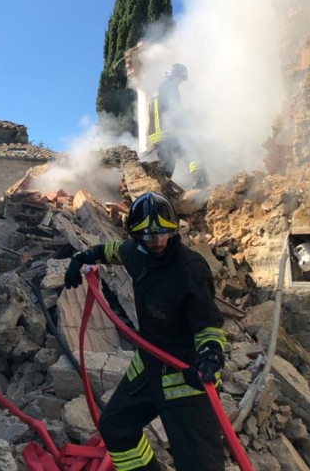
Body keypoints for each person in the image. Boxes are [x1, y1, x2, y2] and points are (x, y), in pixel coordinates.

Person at [64, 191, 227, 470]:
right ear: (137, 236)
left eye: (164, 233)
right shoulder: (135, 253)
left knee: (200, 464)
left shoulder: (189, 268)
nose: (158, 241)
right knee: (115, 427)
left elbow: (208, 324)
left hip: (186, 376)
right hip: (149, 366)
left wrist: (211, 356)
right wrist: (83, 257)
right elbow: (112, 251)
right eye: (150, 236)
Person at [147, 63, 208, 189]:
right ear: (175, 76)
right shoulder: (170, 87)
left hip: (156, 137)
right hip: (168, 133)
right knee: (193, 154)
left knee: (168, 164)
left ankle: (162, 189)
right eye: (180, 78)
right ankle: (200, 186)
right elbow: (176, 111)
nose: (180, 82)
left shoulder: (157, 92)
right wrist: (191, 116)